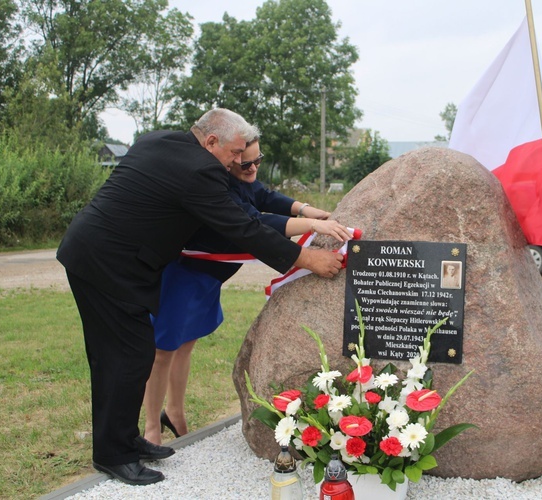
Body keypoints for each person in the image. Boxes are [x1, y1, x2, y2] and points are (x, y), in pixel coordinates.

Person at [56, 109, 343, 486]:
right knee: (123, 358)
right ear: (211, 142)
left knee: (132, 355)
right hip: (106, 265)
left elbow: (252, 203)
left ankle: (125, 439)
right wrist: (307, 258)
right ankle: (114, 456)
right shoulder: (200, 171)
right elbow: (242, 227)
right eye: (236, 152)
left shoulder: (157, 140)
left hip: (101, 256)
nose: (239, 161)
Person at [143, 138, 351, 444]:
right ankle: (150, 429)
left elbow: (265, 196)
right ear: (229, 160)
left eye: (257, 160)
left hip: (207, 280)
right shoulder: (215, 184)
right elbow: (254, 220)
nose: (252, 167)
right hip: (183, 275)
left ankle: (174, 413)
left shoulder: (243, 176)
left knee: (185, 344)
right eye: (244, 162)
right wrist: (309, 224)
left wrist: (308, 210)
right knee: (162, 351)